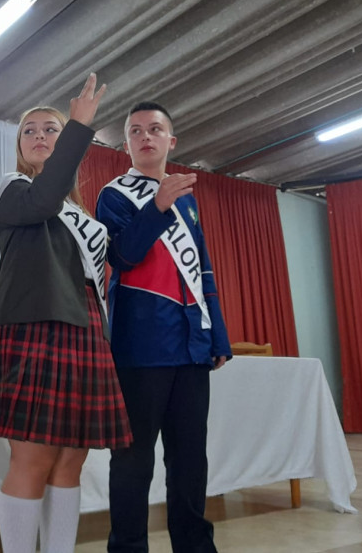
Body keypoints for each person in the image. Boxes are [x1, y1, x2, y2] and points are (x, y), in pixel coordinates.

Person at [0, 75, 133, 553]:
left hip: (86, 327)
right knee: (33, 459)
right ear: (20, 147)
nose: (39, 136)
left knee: (70, 461)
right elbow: (45, 200)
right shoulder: (15, 189)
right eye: (30, 131)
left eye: (51, 130)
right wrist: (79, 127)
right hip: (35, 325)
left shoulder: (82, 215)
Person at [97, 101, 232, 553]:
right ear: (126, 145)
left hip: (191, 347)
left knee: (190, 461)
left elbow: (203, 270)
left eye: (154, 129)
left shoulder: (186, 199)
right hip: (141, 347)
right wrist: (157, 206)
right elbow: (122, 256)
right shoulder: (114, 195)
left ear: (171, 141)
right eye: (135, 131)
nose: (145, 137)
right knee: (133, 461)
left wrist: (217, 336)